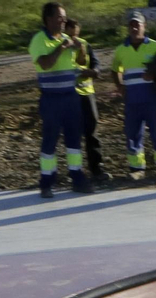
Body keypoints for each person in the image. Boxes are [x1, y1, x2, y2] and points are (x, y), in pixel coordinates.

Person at [28, 1, 90, 197]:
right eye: (59, 17)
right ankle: (46, 181)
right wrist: (62, 47)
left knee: (74, 139)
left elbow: (80, 63)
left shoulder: (66, 38)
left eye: (64, 17)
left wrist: (80, 49)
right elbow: (45, 64)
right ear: (48, 19)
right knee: (50, 140)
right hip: (51, 98)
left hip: (70, 96)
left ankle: (77, 176)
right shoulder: (39, 40)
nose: (64, 21)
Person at [111, 10, 156, 179]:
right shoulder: (121, 50)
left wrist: (155, 73)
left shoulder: (155, 46)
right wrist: (119, 85)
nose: (134, 28)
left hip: (153, 99)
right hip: (132, 99)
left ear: (144, 26)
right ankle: (136, 168)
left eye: (137, 24)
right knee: (132, 134)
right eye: (131, 25)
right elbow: (114, 69)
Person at [61, 18, 105, 181]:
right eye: (70, 33)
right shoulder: (62, 45)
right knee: (73, 132)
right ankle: (74, 170)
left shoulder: (84, 44)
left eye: (76, 33)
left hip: (87, 93)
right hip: (69, 94)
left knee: (91, 130)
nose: (74, 37)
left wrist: (93, 71)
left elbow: (95, 65)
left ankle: (96, 167)